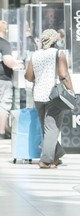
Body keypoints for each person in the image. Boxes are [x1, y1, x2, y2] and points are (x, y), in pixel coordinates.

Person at [24, 29, 74, 169]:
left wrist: (39, 78)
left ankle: (55, 156)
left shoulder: (36, 55)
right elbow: (63, 75)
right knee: (52, 128)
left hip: (38, 96)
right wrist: (72, 92)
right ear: (55, 40)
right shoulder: (59, 53)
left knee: (47, 128)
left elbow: (28, 76)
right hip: (54, 96)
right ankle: (46, 160)